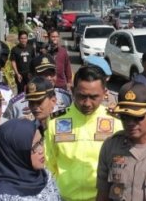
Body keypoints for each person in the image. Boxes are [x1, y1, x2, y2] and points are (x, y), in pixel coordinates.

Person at [45, 65, 122, 201]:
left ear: (105, 93)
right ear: (73, 91)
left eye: (93, 97)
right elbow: (48, 165)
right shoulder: (56, 122)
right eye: (82, 96)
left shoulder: (116, 122)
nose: (87, 103)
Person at [0, 119, 60, 201]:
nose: (41, 150)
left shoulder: (44, 174)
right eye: (35, 146)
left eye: (41, 141)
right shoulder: (1, 197)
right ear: (14, 154)